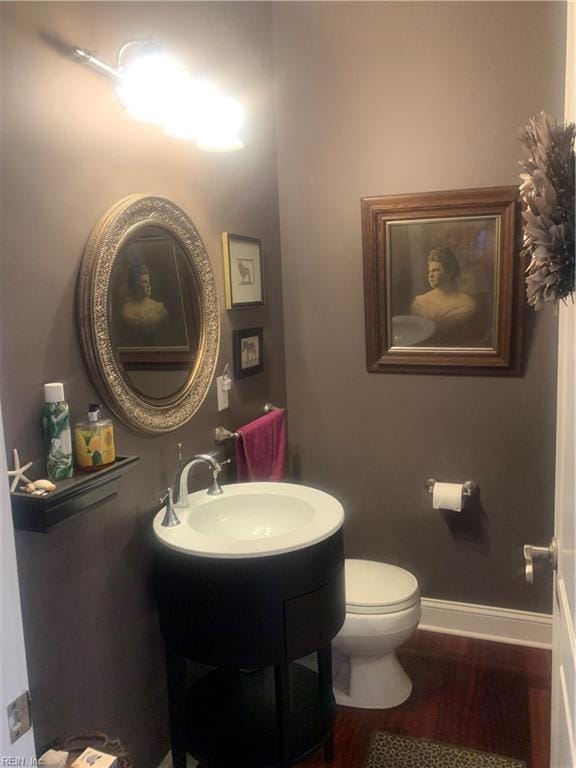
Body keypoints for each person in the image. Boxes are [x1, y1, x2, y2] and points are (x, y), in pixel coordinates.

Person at [411, 247, 477, 344]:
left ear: (449, 272)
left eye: (436, 270)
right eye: (429, 271)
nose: (431, 275)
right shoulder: (420, 302)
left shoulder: (466, 303)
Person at [120, 262, 168, 345]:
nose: (148, 285)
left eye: (148, 282)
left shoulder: (159, 308)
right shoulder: (126, 310)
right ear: (134, 285)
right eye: (144, 282)